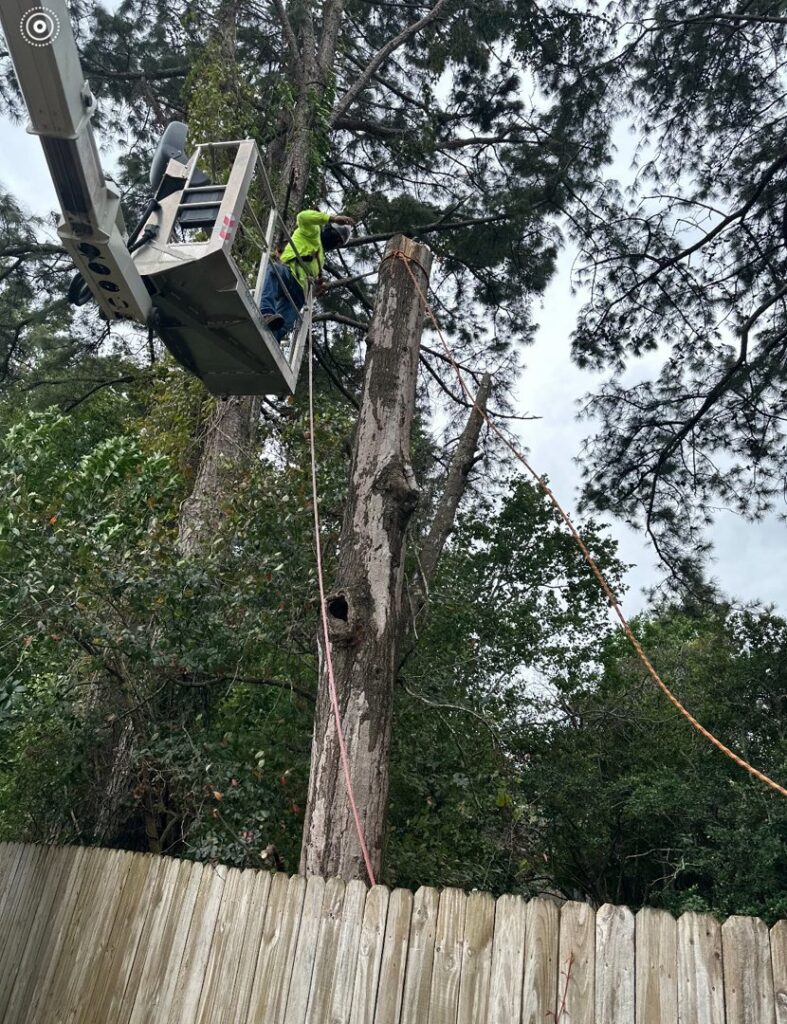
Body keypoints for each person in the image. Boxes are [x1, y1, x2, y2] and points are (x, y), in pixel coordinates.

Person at [260, 209, 354, 342]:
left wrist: (317, 287)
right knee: (274, 271)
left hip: (300, 289)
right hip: (288, 273)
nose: (335, 243)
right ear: (328, 229)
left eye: (338, 243)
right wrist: (332, 218)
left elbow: (312, 278)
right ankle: (266, 312)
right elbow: (302, 216)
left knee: (287, 319)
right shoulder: (313, 231)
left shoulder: (321, 258)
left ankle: (271, 339)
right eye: (335, 237)